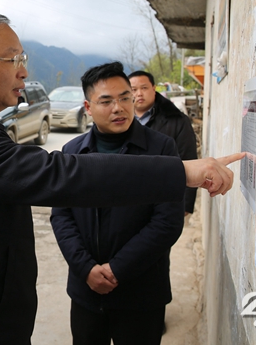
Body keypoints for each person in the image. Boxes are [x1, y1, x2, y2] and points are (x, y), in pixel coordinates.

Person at [0, 12, 242, 345]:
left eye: (22, 59)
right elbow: (61, 176)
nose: (24, 71)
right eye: (13, 60)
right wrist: (183, 171)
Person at [51, 62, 184, 345]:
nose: (118, 108)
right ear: (88, 107)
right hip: (86, 292)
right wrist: (86, 269)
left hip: (141, 292)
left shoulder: (161, 149)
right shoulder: (72, 152)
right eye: (106, 101)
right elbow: (61, 216)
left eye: (125, 98)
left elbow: (167, 221)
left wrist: (117, 270)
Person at [129, 70, 199, 215]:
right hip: (128, 201)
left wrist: (185, 206)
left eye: (144, 88)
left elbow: (189, 160)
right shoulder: (120, 122)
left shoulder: (177, 120)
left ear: (154, 89)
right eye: (133, 90)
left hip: (164, 201)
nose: (139, 94)